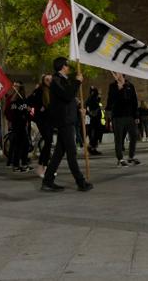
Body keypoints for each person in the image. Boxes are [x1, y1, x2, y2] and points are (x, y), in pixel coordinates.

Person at [40, 57, 93, 193]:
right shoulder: (56, 80)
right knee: (71, 153)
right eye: (67, 65)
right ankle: (81, 182)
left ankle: (47, 181)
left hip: (67, 120)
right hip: (64, 122)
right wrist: (77, 81)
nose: (69, 68)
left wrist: (78, 108)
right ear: (63, 66)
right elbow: (68, 95)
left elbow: (68, 100)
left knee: (59, 154)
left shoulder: (61, 80)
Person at [106, 72, 139, 166]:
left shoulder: (130, 85)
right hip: (118, 116)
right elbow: (110, 102)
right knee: (119, 138)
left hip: (129, 116)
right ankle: (120, 159)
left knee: (134, 135)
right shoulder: (112, 86)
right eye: (114, 73)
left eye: (116, 73)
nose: (115, 75)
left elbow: (134, 101)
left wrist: (136, 115)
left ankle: (131, 157)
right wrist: (119, 89)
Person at [28, 75, 54, 178]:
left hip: (50, 120)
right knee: (48, 140)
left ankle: (45, 166)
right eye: (47, 79)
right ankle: (40, 166)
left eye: (50, 79)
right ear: (43, 81)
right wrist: (35, 109)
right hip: (41, 120)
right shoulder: (39, 90)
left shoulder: (53, 90)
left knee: (49, 142)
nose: (49, 81)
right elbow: (29, 100)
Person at [7, 83, 32, 172]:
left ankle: (19, 164)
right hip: (18, 125)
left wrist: (28, 111)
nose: (15, 88)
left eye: (18, 87)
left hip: (21, 125)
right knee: (22, 145)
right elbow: (15, 114)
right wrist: (24, 112)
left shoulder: (23, 99)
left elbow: (27, 112)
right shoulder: (14, 101)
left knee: (22, 145)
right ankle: (20, 164)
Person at [84, 87, 104, 155]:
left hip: (93, 120)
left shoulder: (91, 98)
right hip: (94, 120)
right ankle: (91, 147)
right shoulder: (92, 99)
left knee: (94, 134)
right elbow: (93, 108)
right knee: (95, 134)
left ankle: (93, 148)